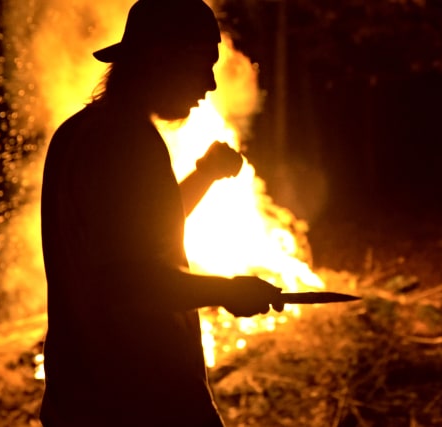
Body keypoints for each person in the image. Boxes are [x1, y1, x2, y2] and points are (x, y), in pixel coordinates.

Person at [38, 0, 283, 425]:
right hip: (137, 400)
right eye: (201, 65)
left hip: (86, 397)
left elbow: (140, 234)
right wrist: (228, 291)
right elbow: (129, 282)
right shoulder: (123, 142)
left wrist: (204, 176)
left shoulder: (84, 131)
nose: (209, 84)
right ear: (159, 58)